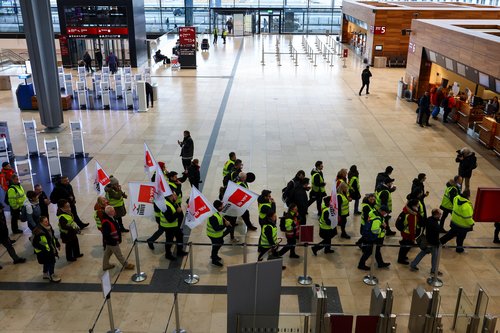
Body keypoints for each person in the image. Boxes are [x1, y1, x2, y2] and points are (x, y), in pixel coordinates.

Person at [101, 206, 135, 271]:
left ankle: (105, 265)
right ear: (109, 213)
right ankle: (126, 265)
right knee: (119, 254)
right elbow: (106, 235)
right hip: (112, 242)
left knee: (107, 253)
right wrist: (114, 241)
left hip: (111, 241)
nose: (114, 212)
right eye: (113, 211)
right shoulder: (106, 222)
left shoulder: (111, 217)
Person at [358, 205, 391, 270]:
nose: (386, 214)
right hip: (375, 238)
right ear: (383, 212)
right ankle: (361, 264)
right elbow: (375, 231)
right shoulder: (377, 219)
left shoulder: (374, 212)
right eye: (386, 212)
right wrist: (382, 227)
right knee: (368, 252)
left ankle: (380, 263)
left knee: (377, 251)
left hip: (374, 238)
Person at [410, 209, 442, 275]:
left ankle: (413, 264)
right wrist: (437, 243)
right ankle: (433, 270)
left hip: (426, 241)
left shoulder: (429, 219)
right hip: (432, 243)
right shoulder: (435, 225)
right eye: (439, 214)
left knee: (422, 253)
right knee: (435, 257)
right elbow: (435, 236)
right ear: (436, 215)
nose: (440, 215)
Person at [160, 193, 187, 260]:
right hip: (169, 227)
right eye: (175, 195)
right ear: (170, 196)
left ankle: (179, 251)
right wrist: (177, 212)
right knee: (169, 240)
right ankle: (168, 254)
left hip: (175, 226)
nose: (176, 196)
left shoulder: (173, 202)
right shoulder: (166, 206)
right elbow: (170, 219)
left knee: (180, 236)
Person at [32, 216, 60, 282]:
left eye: (47, 221)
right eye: (45, 221)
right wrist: (50, 251)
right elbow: (43, 244)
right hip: (44, 251)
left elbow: (52, 237)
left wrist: (57, 244)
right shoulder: (40, 232)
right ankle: (51, 275)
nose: (47, 222)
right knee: (51, 262)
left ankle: (45, 274)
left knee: (46, 262)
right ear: (41, 223)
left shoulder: (48, 227)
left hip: (48, 249)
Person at [0, 203, 26, 269]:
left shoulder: (1, 213)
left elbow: (4, 223)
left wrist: (6, 232)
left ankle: (16, 259)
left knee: (9, 246)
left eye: (1, 208)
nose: (1, 210)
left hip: (3, 234)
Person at [206, 200, 232, 267]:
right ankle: (214, 260)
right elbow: (216, 228)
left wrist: (225, 222)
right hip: (213, 235)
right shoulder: (213, 217)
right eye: (222, 206)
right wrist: (225, 225)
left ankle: (214, 255)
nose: (223, 206)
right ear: (219, 207)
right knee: (215, 246)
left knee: (220, 243)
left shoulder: (217, 212)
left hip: (217, 234)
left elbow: (220, 221)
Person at [397, 199, 420, 265]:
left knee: (404, 246)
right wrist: (413, 238)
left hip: (405, 232)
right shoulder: (411, 215)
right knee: (405, 247)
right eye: (417, 204)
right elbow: (412, 228)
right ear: (413, 206)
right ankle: (401, 259)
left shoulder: (407, 211)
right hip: (408, 234)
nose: (418, 206)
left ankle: (402, 257)